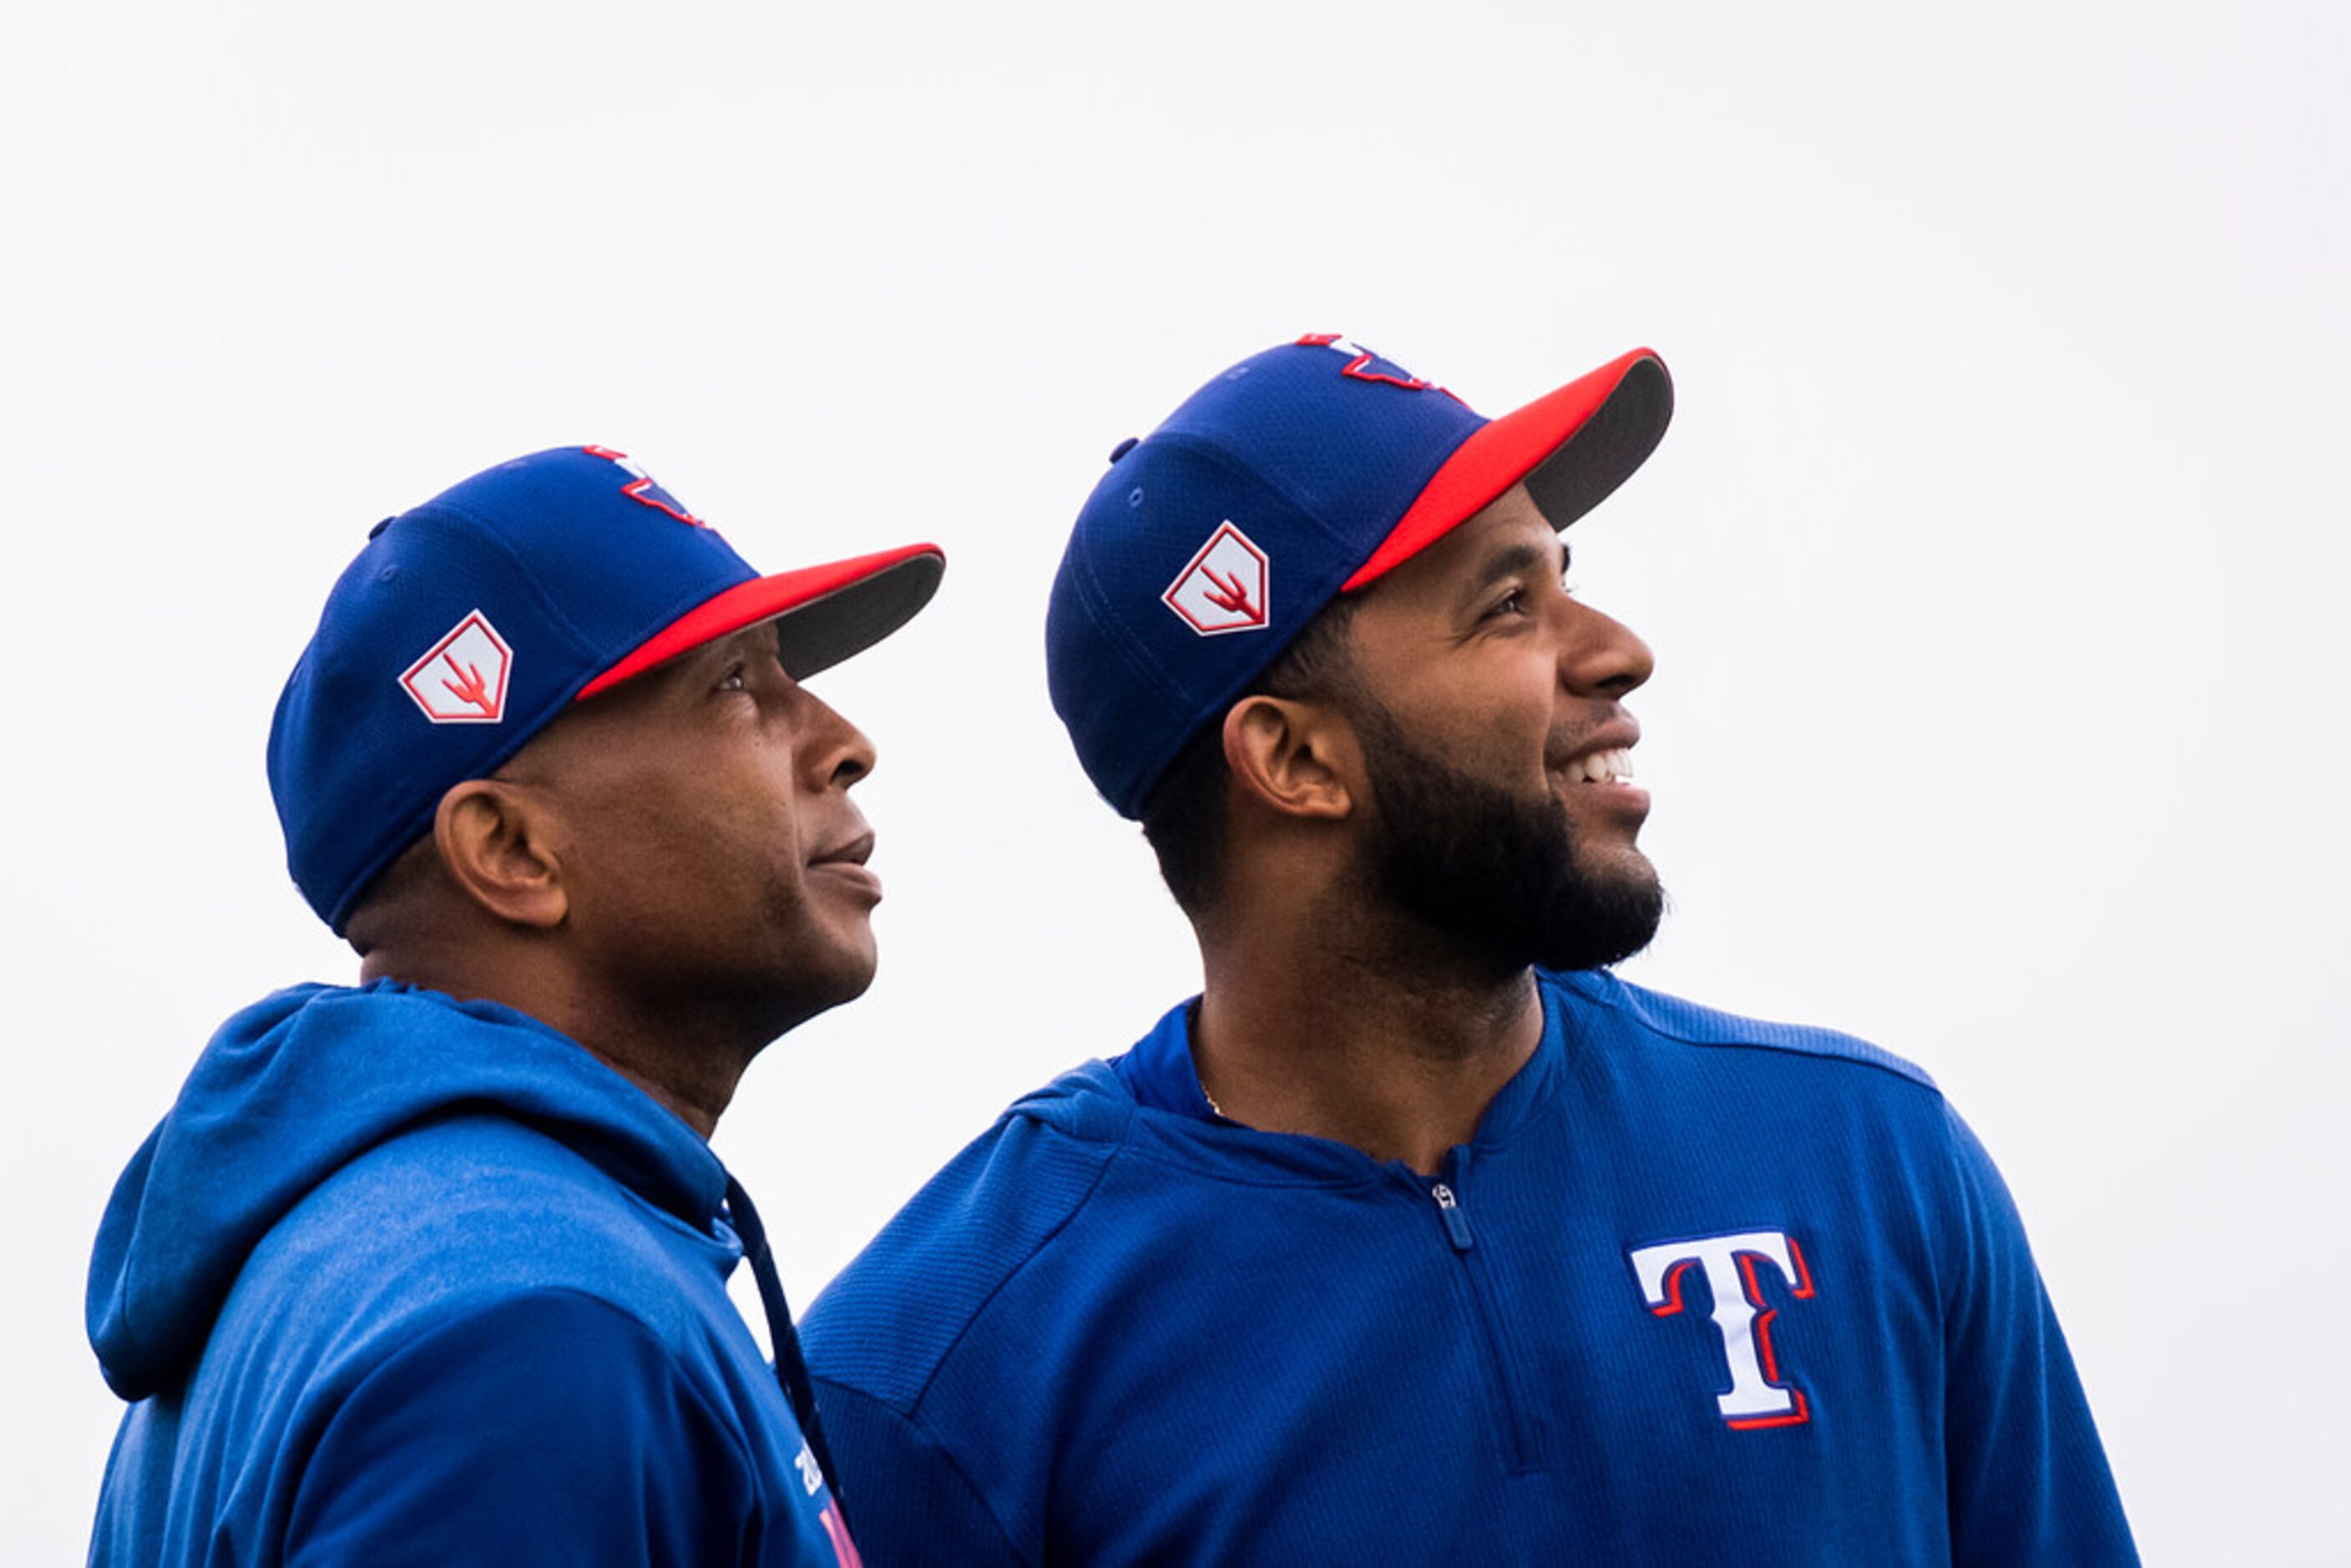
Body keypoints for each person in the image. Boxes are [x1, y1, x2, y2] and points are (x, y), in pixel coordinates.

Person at [799, 336, 2137, 1563]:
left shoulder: (1867, 1158)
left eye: (1571, 581)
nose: (1617, 653)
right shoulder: (936, 1365)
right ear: (1295, 758)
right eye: (1509, 606)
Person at [85, 445, 943, 1565]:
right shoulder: (535, 1324)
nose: (842, 742)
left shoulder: (400, 1259)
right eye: (736, 685)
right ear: (512, 848)